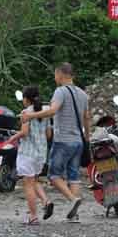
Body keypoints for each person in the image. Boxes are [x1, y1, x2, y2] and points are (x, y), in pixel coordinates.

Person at [21, 63, 88, 223]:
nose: (54, 78)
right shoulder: (83, 94)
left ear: (60, 74)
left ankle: (73, 199)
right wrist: (87, 137)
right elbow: (87, 117)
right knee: (73, 176)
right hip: (78, 141)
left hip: (63, 141)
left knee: (53, 175)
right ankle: (74, 215)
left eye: (55, 75)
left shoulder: (60, 91)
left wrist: (31, 116)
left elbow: (52, 111)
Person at [6, 86, 54, 225]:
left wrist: (12, 138)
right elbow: (49, 134)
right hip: (41, 154)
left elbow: (25, 132)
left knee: (28, 185)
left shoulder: (26, 112)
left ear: (26, 99)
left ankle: (33, 217)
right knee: (34, 180)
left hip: (27, 153)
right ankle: (46, 201)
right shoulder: (46, 112)